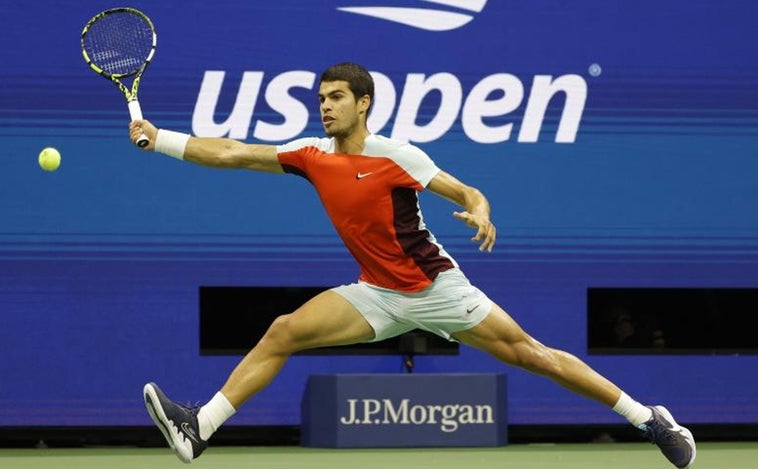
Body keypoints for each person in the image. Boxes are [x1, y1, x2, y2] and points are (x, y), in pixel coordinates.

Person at [130, 63, 696, 468]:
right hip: (377, 292)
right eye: (321, 98)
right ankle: (199, 427)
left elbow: (467, 190)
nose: (324, 106)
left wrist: (479, 213)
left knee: (534, 355)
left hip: (435, 287)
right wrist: (160, 141)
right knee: (283, 332)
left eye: (335, 97)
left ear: (363, 103)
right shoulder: (311, 156)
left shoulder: (397, 156)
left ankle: (649, 418)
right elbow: (233, 152)